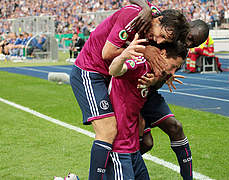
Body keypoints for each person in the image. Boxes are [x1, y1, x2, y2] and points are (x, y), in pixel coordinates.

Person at [69, 3, 190, 180]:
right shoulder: (135, 16)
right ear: (159, 19)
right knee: (108, 131)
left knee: (145, 140)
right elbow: (107, 53)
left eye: (165, 41)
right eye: (162, 35)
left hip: (113, 76)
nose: (158, 41)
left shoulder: (154, 25)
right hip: (91, 71)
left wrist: (162, 75)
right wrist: (145, 49)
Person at [105, 34, 187, 179]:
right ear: (162, 54)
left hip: (133, 147)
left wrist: (160, 78)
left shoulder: (153, 73)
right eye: (173, 66)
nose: (173, 72)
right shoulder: (139, 64)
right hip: (120, 147)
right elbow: (114, 70)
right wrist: (124, 55)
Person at [138, 19, 209, 180]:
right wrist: (146, 49)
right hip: (130, 90)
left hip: (148, 92)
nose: (189, 44)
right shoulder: (160, 33)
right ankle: (115, 167)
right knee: (146, 143)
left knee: (175, 127)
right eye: (190, 38)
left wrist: (164, 75)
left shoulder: (180, 50)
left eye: (194, 44)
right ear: (185, 27)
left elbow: (157, 82)